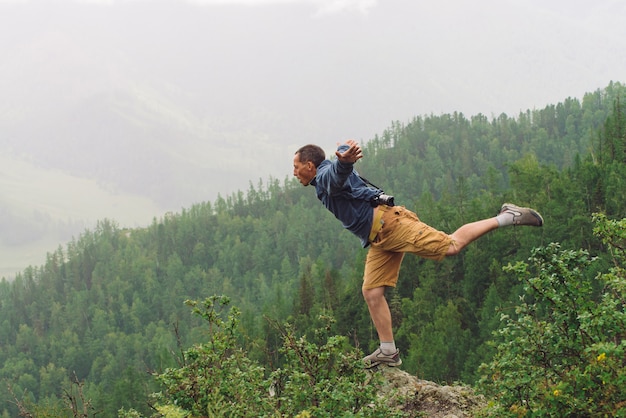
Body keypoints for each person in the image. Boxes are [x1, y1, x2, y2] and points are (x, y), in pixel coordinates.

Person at [293, 139, 544, 368]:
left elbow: (335, 178)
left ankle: (507, 217)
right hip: (380, 238)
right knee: (371, 292)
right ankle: (388, 351)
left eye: (296, 167)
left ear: (310, 165)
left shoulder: (325, 173)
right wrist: (343, 164)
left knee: (451, 245)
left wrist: (343, 163)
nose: (294, 173)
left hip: (391, 225)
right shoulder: (321, 178)